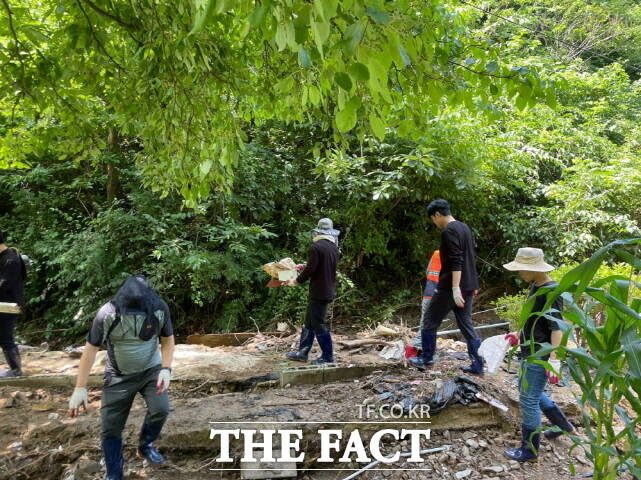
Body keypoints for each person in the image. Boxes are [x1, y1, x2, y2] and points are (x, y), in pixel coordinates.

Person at [68, 276, 175, 480]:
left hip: (151, 371)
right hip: (118, 376)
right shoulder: (107, 313)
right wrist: (80, 388)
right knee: (110, 429)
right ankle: (114, 473)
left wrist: (166, 369)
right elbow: (90, 350)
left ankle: (145, 445)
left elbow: (168, 340)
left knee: (161, 409)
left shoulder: (159, 308)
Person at [502, 247, 574, 462]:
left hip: (540, 353)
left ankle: (530, 450)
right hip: (529, 349)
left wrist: (554, 359)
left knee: (528, 399)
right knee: (529, 391)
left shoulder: (551, 291)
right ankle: (563, 425)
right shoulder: (535, 285)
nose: (519, 273)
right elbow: (534, 320)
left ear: (533, 268)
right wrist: (519, 334)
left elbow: (556, 327)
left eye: (522, 269)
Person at [409, 199, 484, 375]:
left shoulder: (449, 230)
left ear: (437, 214)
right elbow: (470, 257)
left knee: (429, 321)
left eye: (433, 219)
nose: (435, 223)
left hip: (451, 287)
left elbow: (456, 260)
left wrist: (455, 287)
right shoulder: (464, 227)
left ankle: (425, 359)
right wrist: (470, 284)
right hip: (468, 285)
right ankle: (478, 365)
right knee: (466, 325)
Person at [285, 218, 340, 365]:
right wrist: (305, 265)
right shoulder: (333, 247)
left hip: (319, 291)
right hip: (327, 289)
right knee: (309, 322)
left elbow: (312, 269)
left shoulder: (316, 247)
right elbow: (321, 266)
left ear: (318, 231)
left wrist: (296, 281)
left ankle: (328, 357)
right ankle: (302, 353)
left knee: (318, 323)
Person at [0, 230, 26, 378]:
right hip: (4, 304)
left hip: (9, 306)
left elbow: (3, 285)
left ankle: (16, 370)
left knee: (5, 337)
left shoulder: (10, 260)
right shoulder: (5, 257)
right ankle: (15, 369)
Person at [412, 250, 441, 350]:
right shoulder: (453, 256)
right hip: (441, 296)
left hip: (428, 293)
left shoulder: (436, 253)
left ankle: (424, 349)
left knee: (425, 322)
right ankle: (418, 348)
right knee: (464, 322)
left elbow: (428, 272)